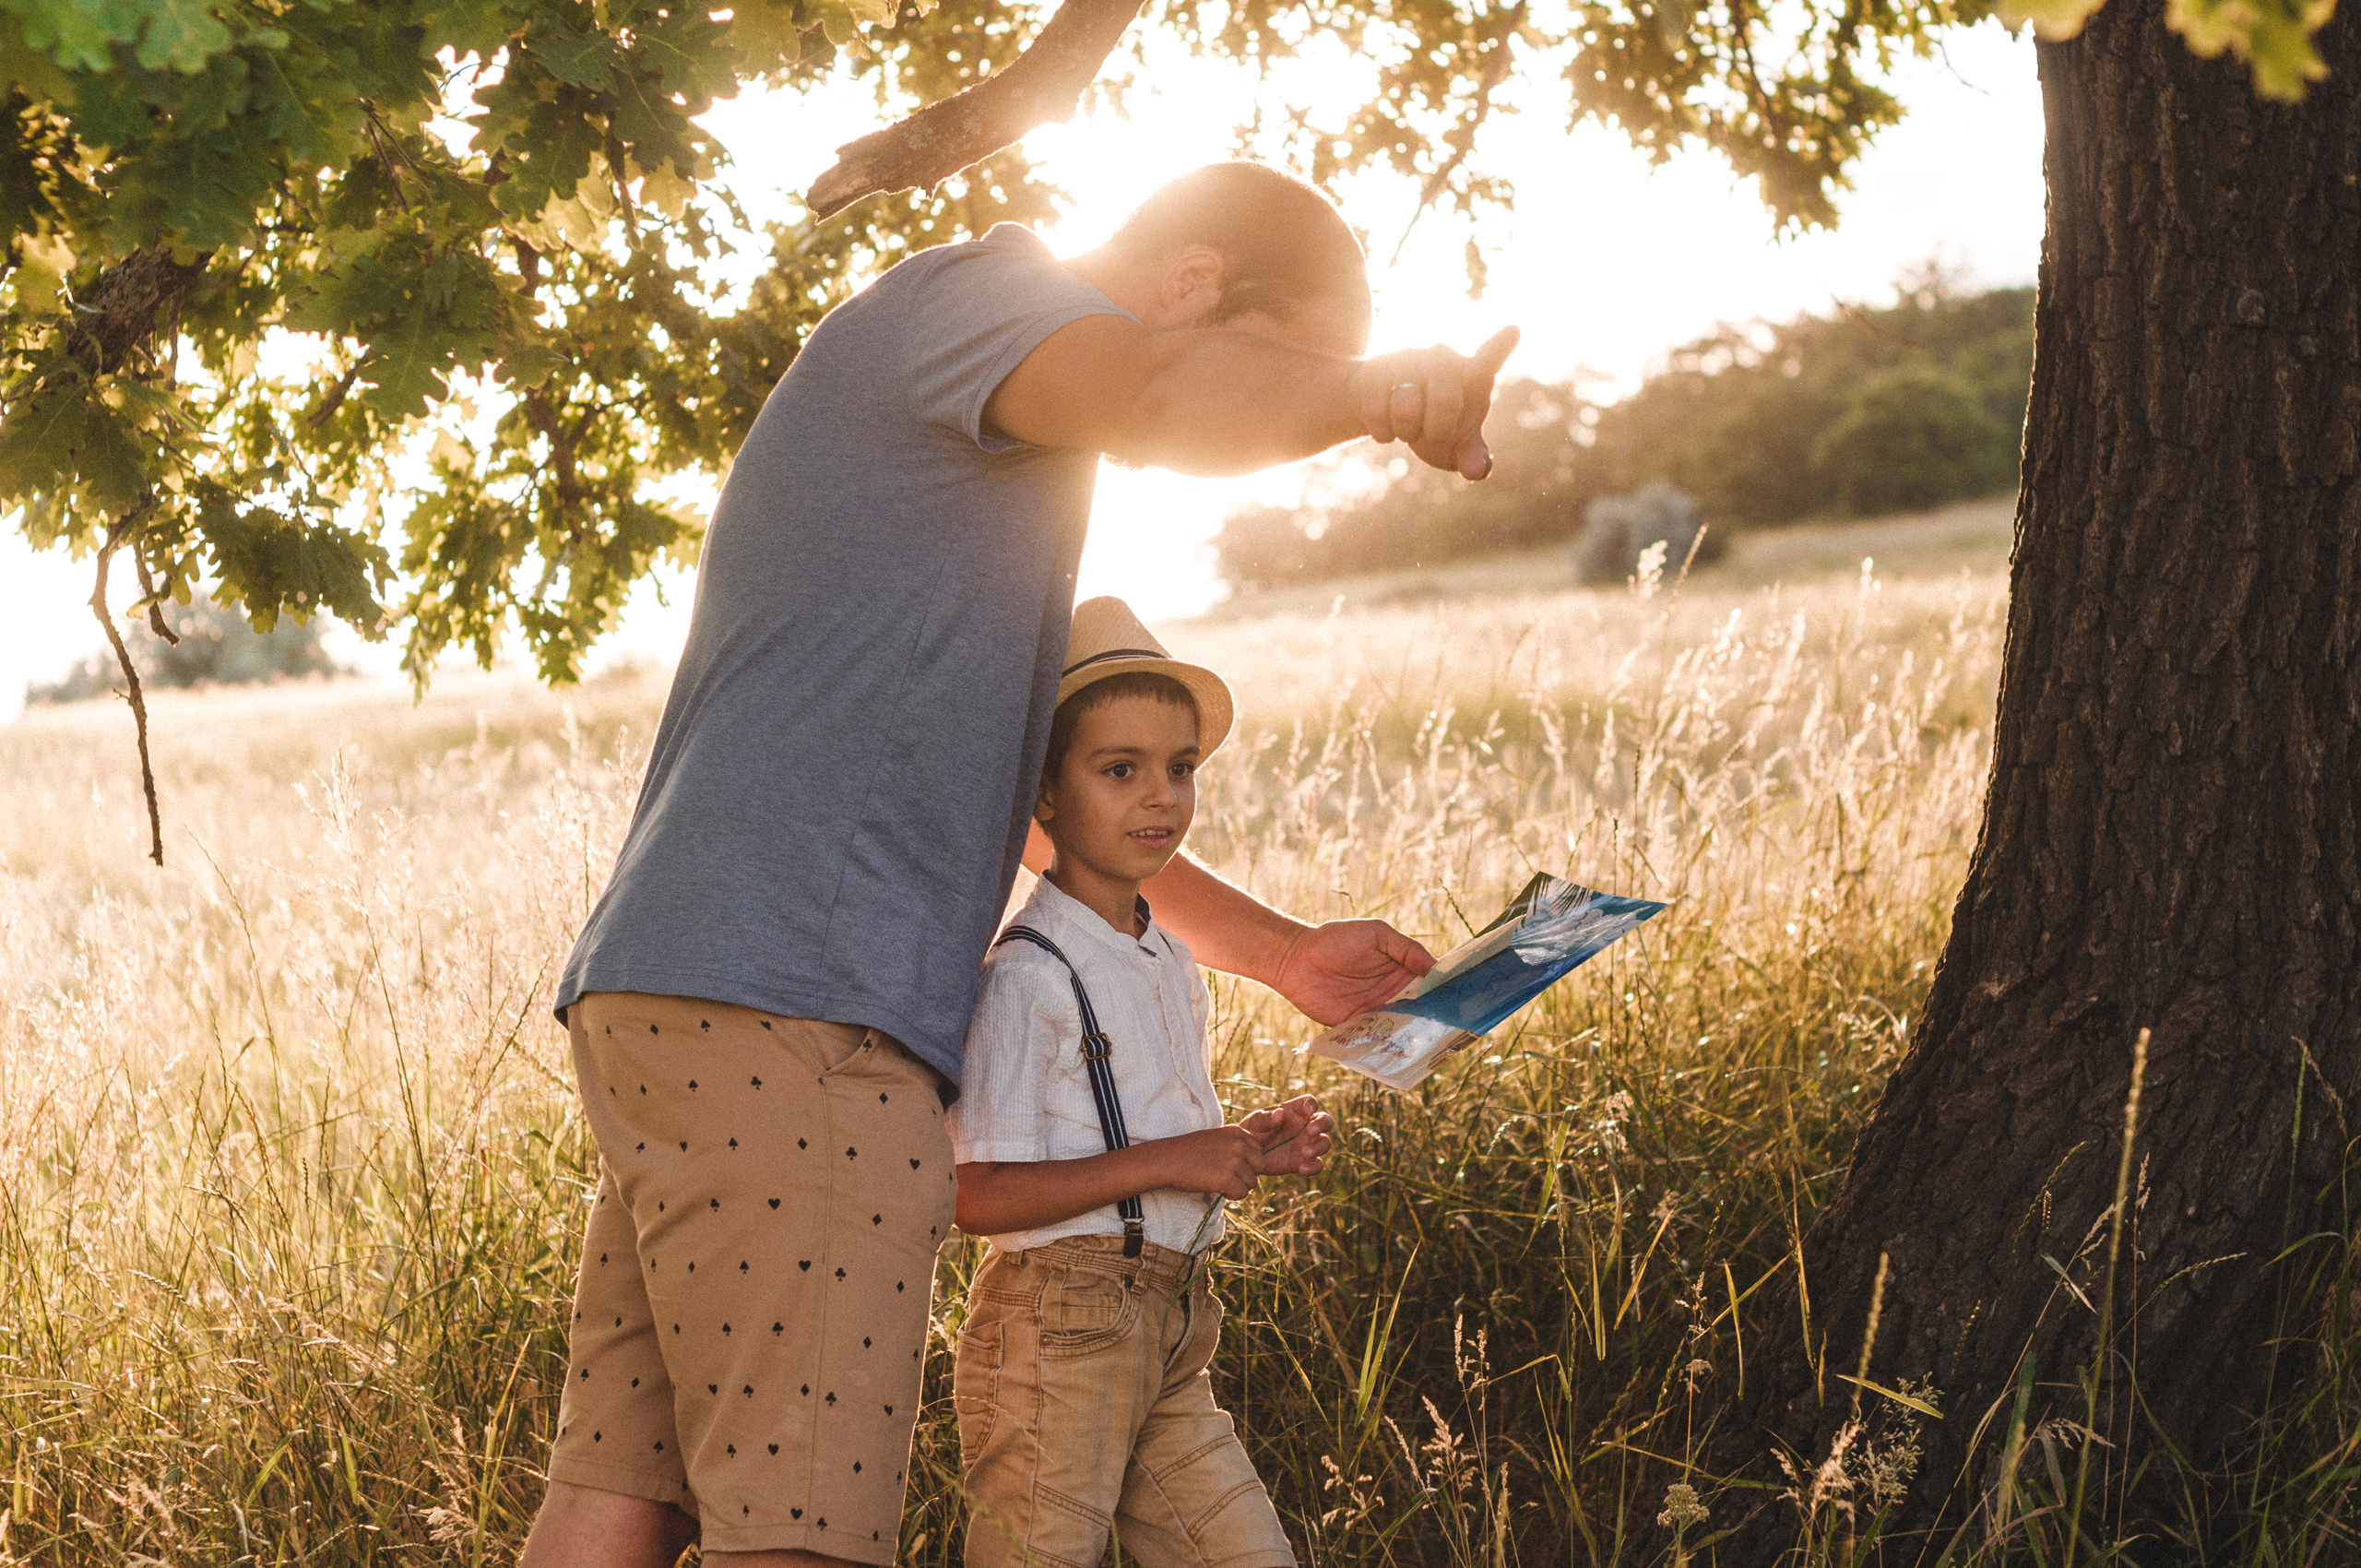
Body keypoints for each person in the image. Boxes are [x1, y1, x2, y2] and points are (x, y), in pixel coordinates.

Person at [523, 160, 1515, 1568]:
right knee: (800, 1531)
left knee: (624, 1498)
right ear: (1189, 287)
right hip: (805, 1018)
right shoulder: (976, 301)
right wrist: (1375, 395)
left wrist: (1286, 957)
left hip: (684, 1000)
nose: (1280, 413)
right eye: (1281, 370)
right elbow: (1172, 399)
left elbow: (1052, 821)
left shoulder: (981, 484)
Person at [949, 598, 1325, 1568]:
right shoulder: (1028, 973)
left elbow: (1143, 1144)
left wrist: (1240, 1145)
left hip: (1172, 1327)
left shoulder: (1164, 955)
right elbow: (975, 1191)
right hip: (1055, 1333)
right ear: (1041, 795)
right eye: (1119, 769)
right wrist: (1173, 1157)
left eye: (1179, 768)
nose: (1159, 797)